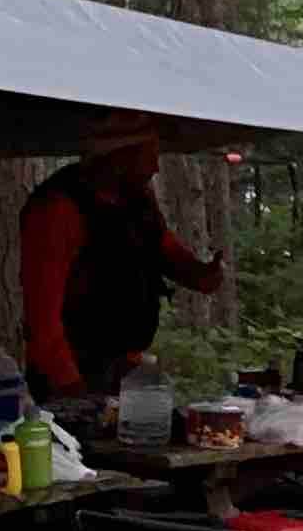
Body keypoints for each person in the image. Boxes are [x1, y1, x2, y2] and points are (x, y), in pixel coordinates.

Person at [19, 114, 225, 401]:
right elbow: (42, 319)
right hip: (72, 372)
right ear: (118, 157)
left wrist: (203, 275)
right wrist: (72, 390)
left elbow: (164, 250)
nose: (155, 167)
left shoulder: (137, 199)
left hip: (125, 367)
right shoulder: (58, 208)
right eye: (149, 156)